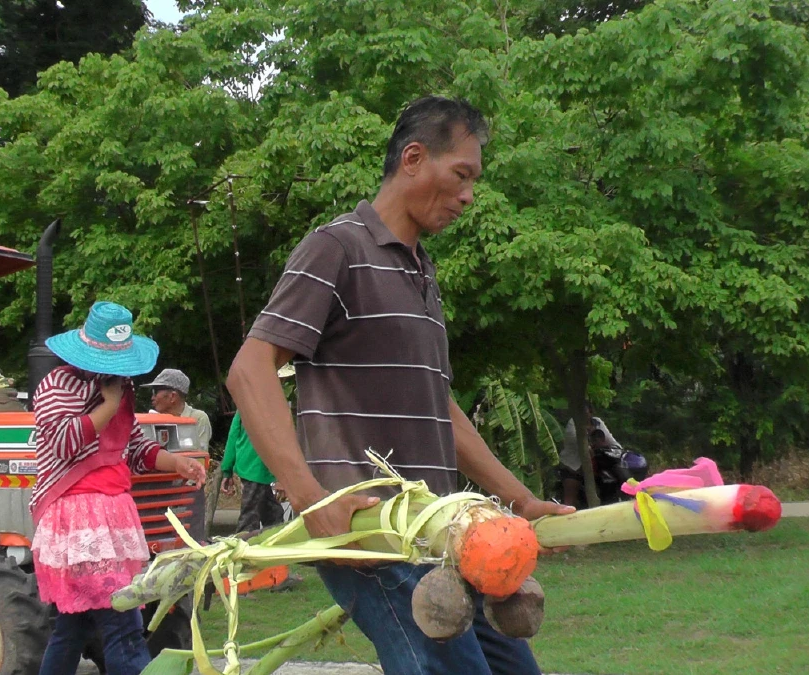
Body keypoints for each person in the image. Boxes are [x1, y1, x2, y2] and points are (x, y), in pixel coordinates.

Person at [228, 96, 573, 675]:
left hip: (441, 533)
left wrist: (521, 501)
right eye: (461, 175)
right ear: (413, 158)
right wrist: (312, 498)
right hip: (373, 537)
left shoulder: (420, 269)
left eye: (473, 181)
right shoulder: (336, 247)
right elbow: (250, 368)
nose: (468, 195)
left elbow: (438, 407)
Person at [30, 301, 207, 675]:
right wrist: (108, 405)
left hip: (112, 510)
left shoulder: (120, 386)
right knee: (122, 619)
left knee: (73, 626)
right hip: (78, 513)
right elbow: (63, 443)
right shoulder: (57, 385)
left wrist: (177, 462)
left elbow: (133, 446)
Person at [141, 368, 213, 451]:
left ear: (172, 396)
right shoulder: (153, 421)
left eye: (155, 392)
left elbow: (199, 456)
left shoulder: (198, 418)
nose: (152, 397)